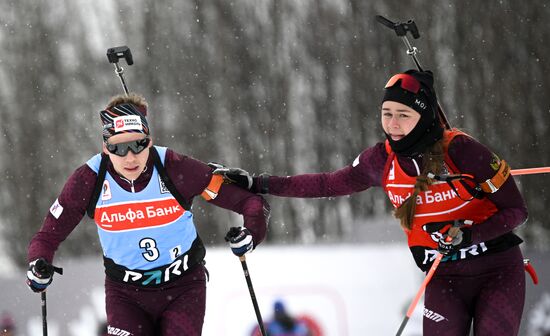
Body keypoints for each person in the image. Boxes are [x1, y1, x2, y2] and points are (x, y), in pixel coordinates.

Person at [214, 69, 528, 335]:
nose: (393, 124)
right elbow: (327, 183)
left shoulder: (462, 150)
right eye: (386, 113)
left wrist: (470, 235)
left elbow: (516, 210)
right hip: (444, 275)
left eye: (403, 115)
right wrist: (259, 183)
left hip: (498, 269)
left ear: (424, 116)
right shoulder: (381, 161)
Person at [26, 93, 270, 336]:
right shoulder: (89, 179)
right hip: (126, 294)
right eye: (118, 148)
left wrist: (250, 233)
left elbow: (248, 201)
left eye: (138, 145)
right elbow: (47, 236)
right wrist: (39, 263)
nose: (130, 157)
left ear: (149, 141)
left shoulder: (174, 166)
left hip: (183, 286)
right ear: (105, 147)